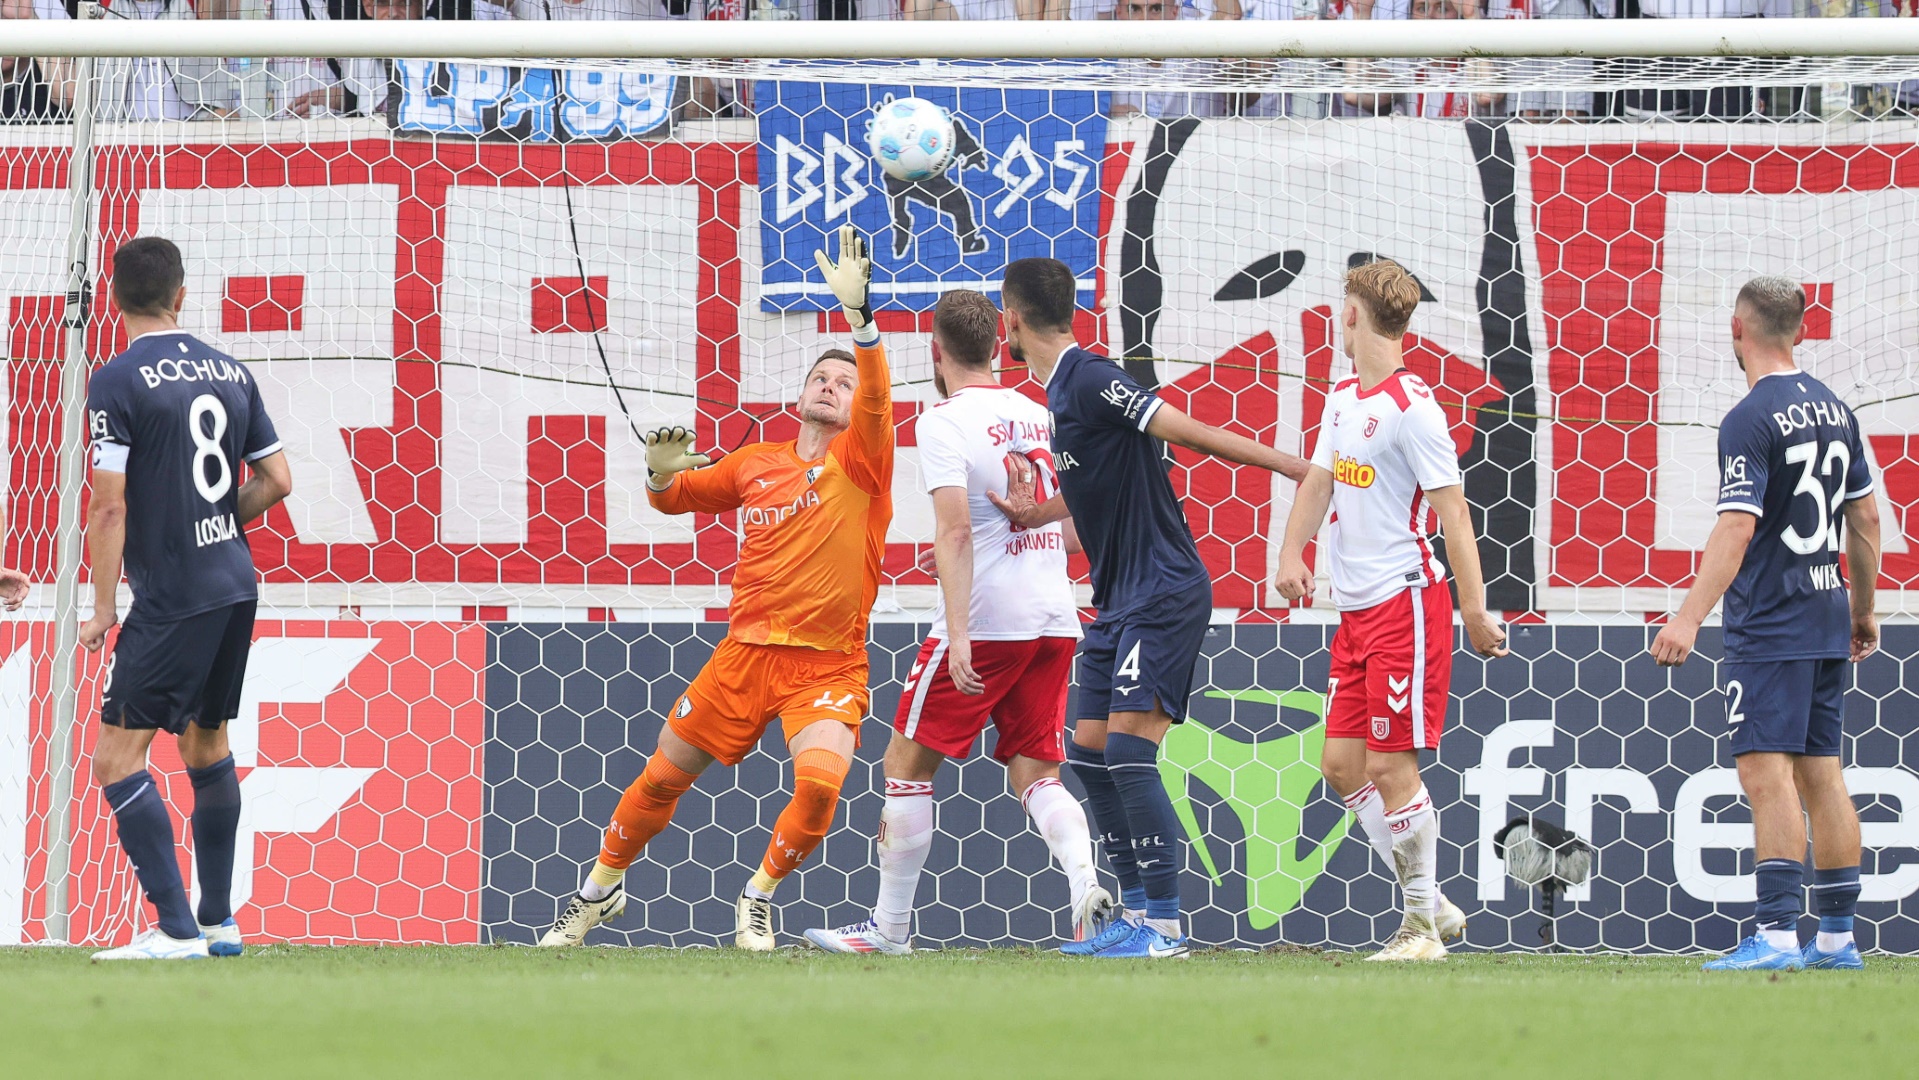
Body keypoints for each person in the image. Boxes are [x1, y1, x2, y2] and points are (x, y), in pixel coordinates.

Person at [539, 224, 893, 951]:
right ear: (799, 394)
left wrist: (862, 327)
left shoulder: (864, 461)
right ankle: (592, 896)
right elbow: (674, 499)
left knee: (821, 785)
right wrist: (658, 473)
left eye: (843, 383)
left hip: (825, 664)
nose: (831, 386)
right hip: (741, 657)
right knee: (659, 781)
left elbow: (881, 398)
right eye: (820, 378)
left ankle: (757, 898)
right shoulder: (755, 462)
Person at [990, 257, 1311, 959]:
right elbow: (1090, 499)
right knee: (1090, 751)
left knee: (1132, 750)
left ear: (1009, 319)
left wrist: (1288, 465)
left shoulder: (1092, 377)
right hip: (1118, 600)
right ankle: (1132, 916)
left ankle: (1163, 926)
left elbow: (1184, 430)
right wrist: (1033, 513)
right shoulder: (1060, 397)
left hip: (1162, 590)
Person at [802, 290, 1109, 955]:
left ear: (935, 353)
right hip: (1054, 615)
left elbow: (955, 530)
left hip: (989, 618)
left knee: (905, 763)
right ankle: (1085, 884)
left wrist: (960, 633)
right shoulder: (1039, 413)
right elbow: (1081, 529)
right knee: (1037, 775)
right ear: (1001, 343)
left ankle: (888, 932)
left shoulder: (941, 422)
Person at [1272, 258, 1508, 962]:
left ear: (1352, 315)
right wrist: (1291, 552)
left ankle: (1418, 929)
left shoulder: (1414, 410)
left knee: (1390, 768)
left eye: (1340, 306)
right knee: (1342, 767)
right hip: (1355, 613)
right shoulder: (1343, 396)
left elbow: (1455, 516)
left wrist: (1473, 608)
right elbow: (1319, 478)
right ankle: (1429, 900)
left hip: (1406, 603)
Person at [1650, 276, 1878, 973]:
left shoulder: (1749, 417)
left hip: (1772, 621)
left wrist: (1688, 617)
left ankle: (1777, 935)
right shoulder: (1837, 410)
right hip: (1826, 607)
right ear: (1800, 332)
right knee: (1822, 775)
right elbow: (1865, 519)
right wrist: (1863, 610)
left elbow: (1736, 527)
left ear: (1735, 330)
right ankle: (1836, 940)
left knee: (1764, 774)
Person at [79, 237, 295, 961]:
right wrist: (215, 523)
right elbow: (278, 480)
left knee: (117, 759)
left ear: (114, 299)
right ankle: (218, 922)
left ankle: (173, 931)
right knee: (207, 746)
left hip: (171, 595)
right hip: (234, 584)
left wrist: (104, 607)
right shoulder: (230, 371)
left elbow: (108, 508)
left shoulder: (116, 380)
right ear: (181, 295)